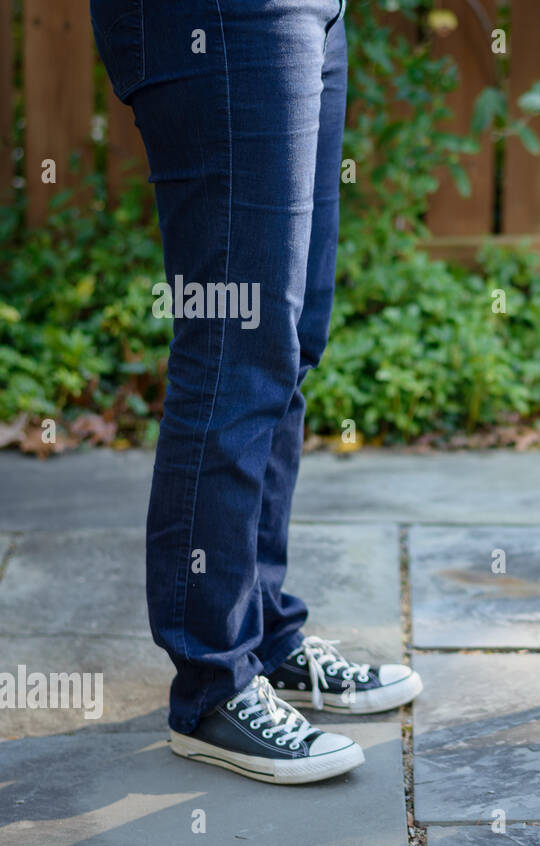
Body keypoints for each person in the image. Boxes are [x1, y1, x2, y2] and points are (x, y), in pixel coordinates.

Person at [90, 0, 420, 784]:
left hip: (313, 13)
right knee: (238, 343)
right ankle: (213, 683)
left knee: (291, 337)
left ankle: (261, 634)